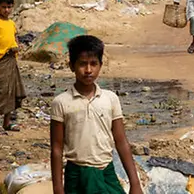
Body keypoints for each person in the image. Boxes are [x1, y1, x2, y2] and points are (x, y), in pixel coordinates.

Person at [50, 35, 143, 194]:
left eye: (93, 64)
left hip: (106, 172)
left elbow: (121, 142)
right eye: (82, 64)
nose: (88, 70)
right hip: (77, 176)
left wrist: (135, 184)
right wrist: (58, 188)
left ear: (100, 65)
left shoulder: (110, 99)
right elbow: (56, 149)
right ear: (71, 66)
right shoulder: (61, 102)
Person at [0, 0, 25, 132]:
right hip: (0, 61)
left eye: (9, 7)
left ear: (12, 7)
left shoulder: (12, 23)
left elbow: (15, 38)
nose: (6, 10)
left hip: (11, 59)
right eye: (3, 7)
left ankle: (7, 121)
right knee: (2, 90)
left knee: (12, 91)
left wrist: (17, 47)